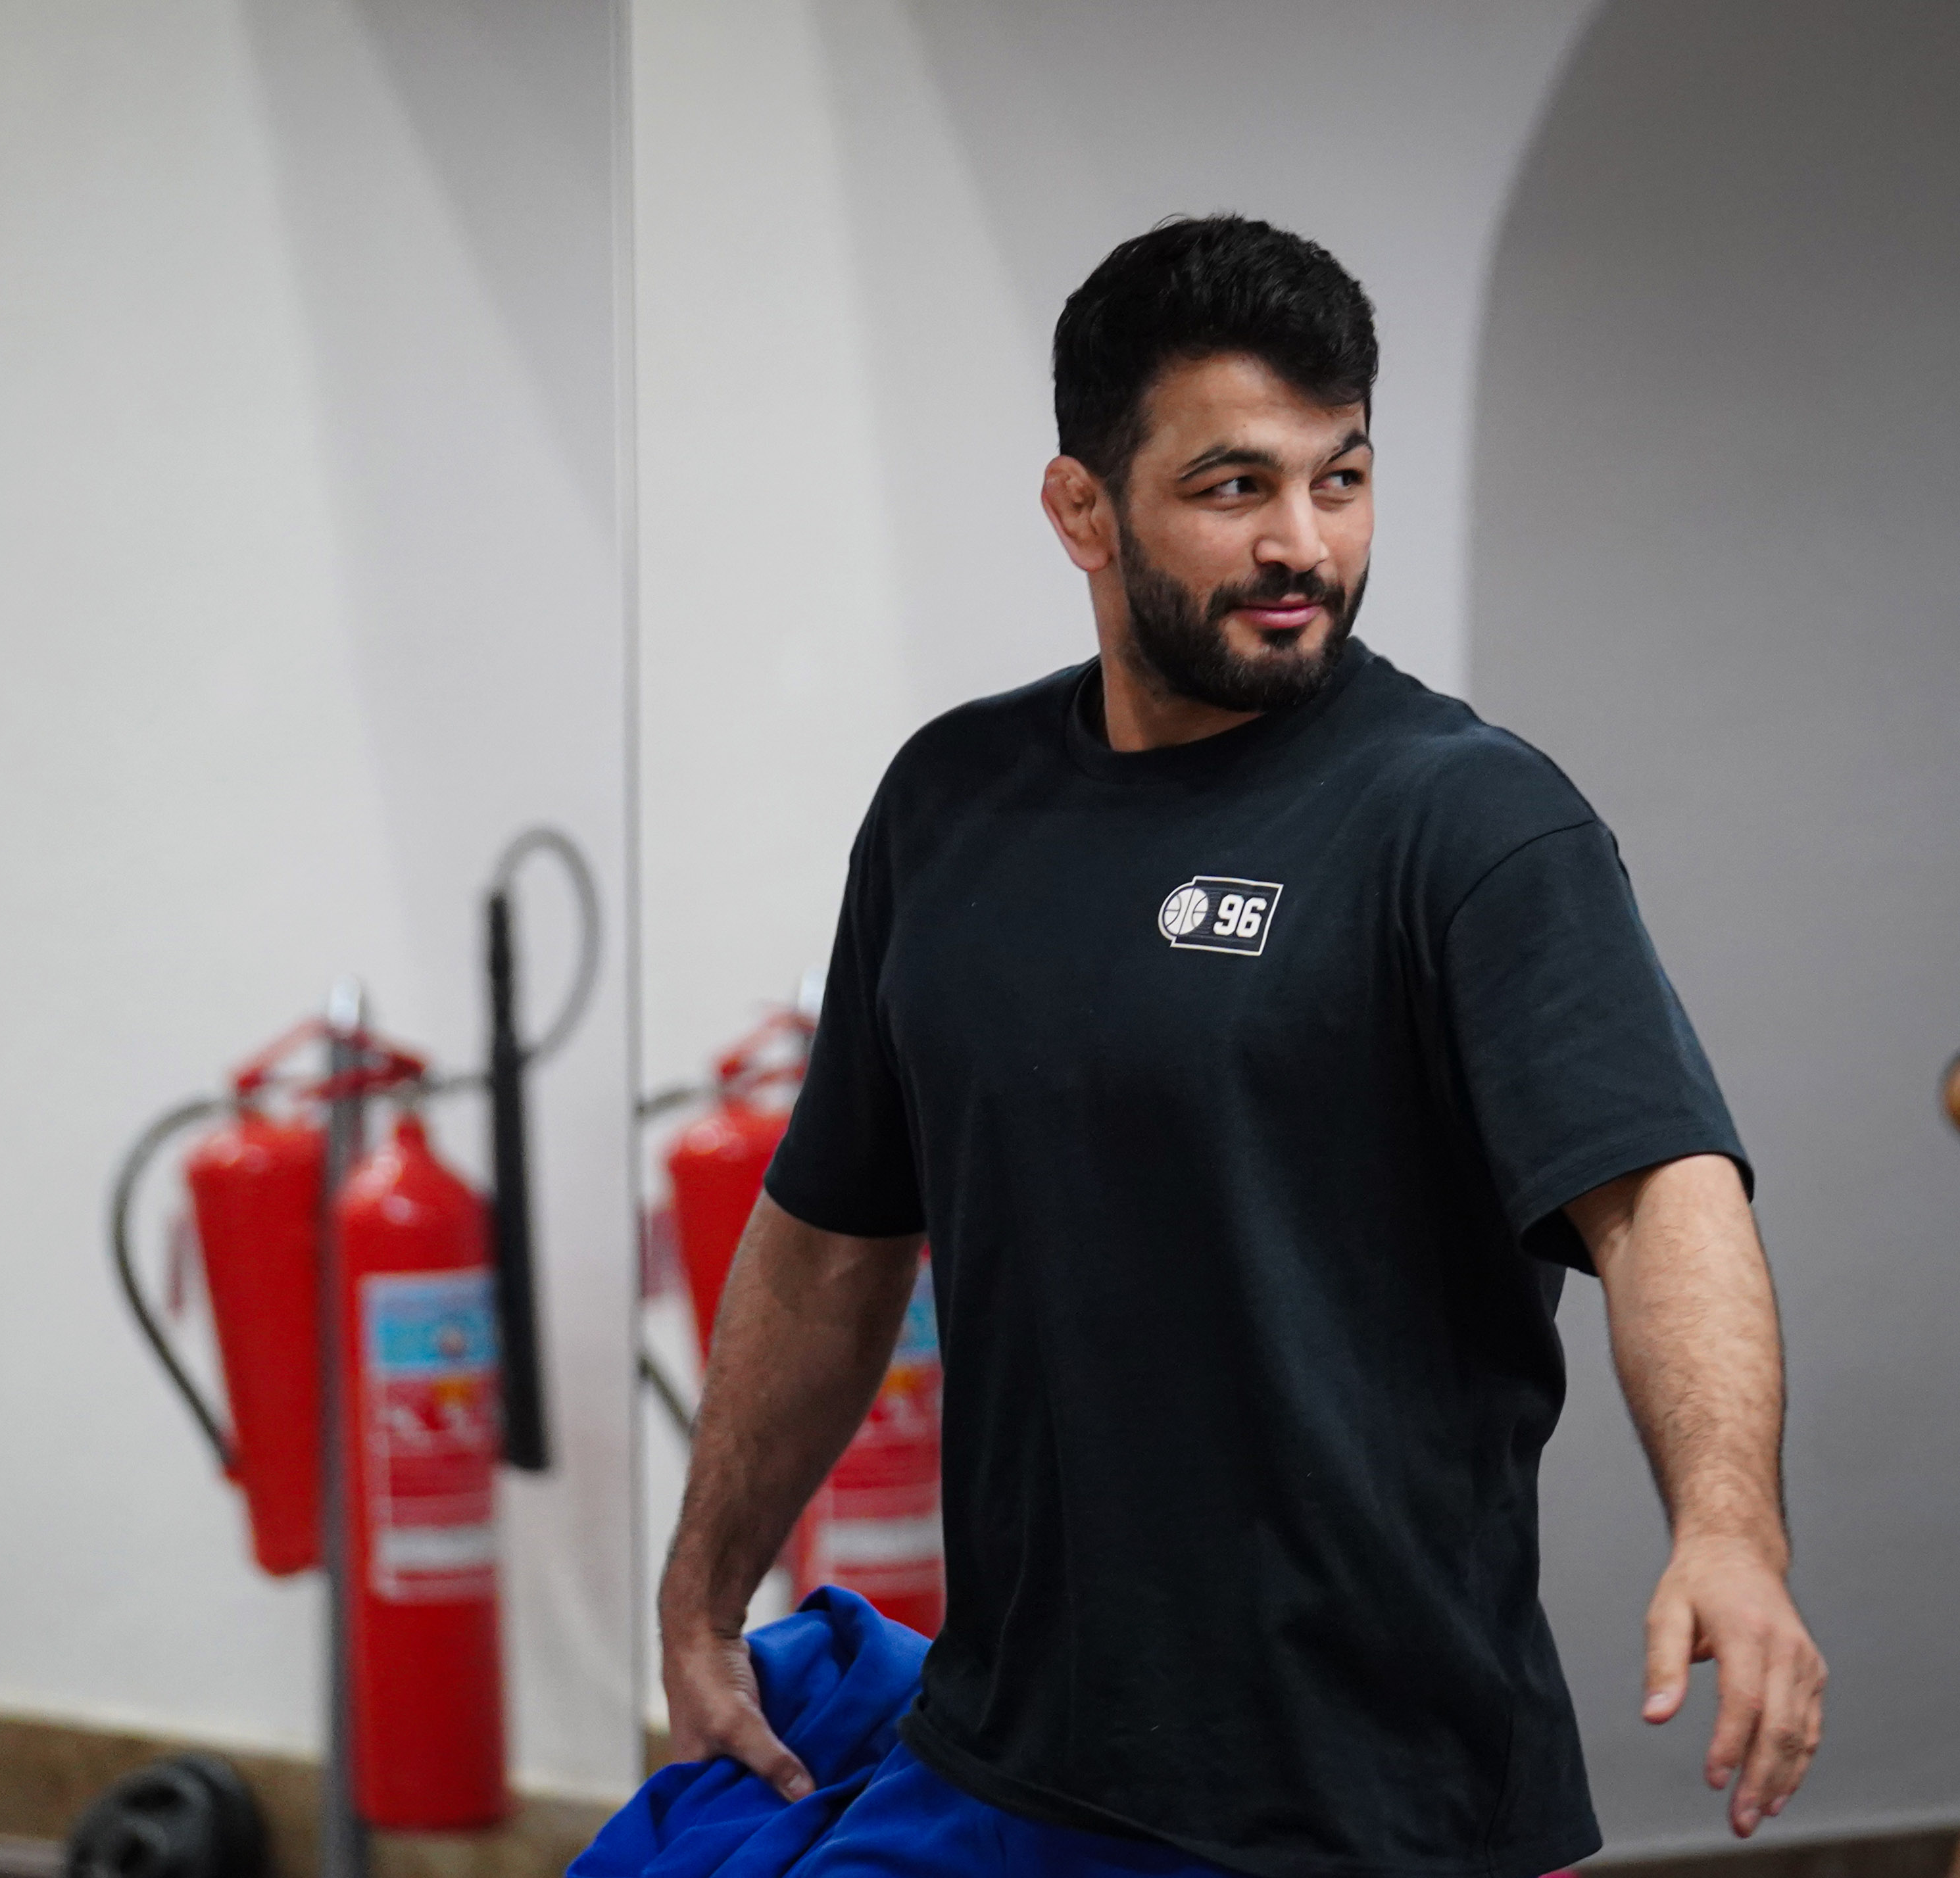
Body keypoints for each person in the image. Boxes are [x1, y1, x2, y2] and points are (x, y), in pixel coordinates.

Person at [656, 216, 1825, 1878]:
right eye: (1233, 489)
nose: (1303, 544)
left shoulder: (1468, 823)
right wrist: (702, 1598)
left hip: (1369, 1810)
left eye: (1340, 481)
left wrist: (1729, 1528)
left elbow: (1661, 1201)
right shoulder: (949, 804)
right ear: (1082, 509)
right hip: (1003, 1766)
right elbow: (831, 1237)